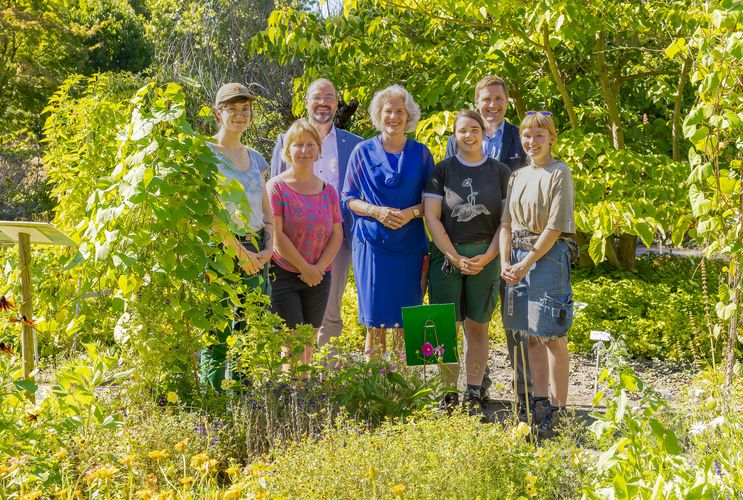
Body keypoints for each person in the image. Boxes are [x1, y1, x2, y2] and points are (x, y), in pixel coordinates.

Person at [445, 75, 530, 413]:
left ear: (507, 101)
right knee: (468, 320)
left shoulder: (518, 137)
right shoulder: (461, 138)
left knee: (515, 319)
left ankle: (525, 393)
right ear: (476, 102)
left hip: (515, 240)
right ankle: (475, 386)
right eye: (486, 99)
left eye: (498, 98)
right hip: (466, 243)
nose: (492, 105)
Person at [424, 110, 511, 415]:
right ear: (454, 135)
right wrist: (452, 255)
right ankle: (447, 394)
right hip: (446, 257)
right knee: (444, 327)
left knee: (477, 326)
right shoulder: (441, 170)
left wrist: (488, 256)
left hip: (485, 257)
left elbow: (506, 221)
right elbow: (432, 217)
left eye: (475, 129)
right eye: (462, 130)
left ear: (484, 132)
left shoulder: (500, 172)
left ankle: (473, 392)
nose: (469, 135)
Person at [271, 79, 363, 358]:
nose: (323, 102)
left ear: (337, 103)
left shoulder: (353, 144)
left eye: (329, 97)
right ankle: (297, 380)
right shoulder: (284, 140)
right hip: (289, 246)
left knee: (330, 311)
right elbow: (273, 199)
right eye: (317, 97)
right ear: (307, 102)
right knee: (291, 323)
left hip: (335, 241)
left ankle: (325, 377)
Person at [342, 85, 434, 357]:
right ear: (378, 114)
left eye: (400, 111)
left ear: (409, 116)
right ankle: (376, 387)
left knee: (410, 317)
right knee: (376, 320)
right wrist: (376, 211)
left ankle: (408, 387)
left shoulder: (421, 153)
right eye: (388, 111)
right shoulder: (361, 151)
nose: (393, 117)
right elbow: (348, 197)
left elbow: (433, 199)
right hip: (372, 247)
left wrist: (411, 213)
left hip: (411, 247)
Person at [500, 111, 575, 437]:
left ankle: (559, 411)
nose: (532, 142)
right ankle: (539, 404)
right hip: (516, 259)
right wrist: (505, 260)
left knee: (551, 335)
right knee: (529, 336)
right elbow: (505, 223)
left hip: (544, 260)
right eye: (527, 136)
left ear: (552, 138)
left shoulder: (559, 173)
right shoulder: (517, 175)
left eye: (539, 136)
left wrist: (527, 261)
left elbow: (555, 226)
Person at [201, 83, 273, 391]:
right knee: (217, 328)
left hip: (257, 247)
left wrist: (270, 247)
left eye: (245, 110)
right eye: (232, 109)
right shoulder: (205, 155)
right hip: (222, 249)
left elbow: (266, 207)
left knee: (249, 327)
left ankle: (244, 397)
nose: (240, 115)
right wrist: (239, 253)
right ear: (218, 113)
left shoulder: (256, 158)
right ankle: (213, 399)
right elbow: (209, 213)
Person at [267, 118, 343, 367]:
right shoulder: (276, 187)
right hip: (286, 273)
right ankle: (290, 395)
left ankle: (305, 393)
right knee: (293, 340)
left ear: (319, 150)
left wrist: (318, 268)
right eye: (298, 145)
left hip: (320, 275)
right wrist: (305, 268)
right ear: (287, 150)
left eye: (310, 145)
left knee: (310, 339)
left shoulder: (328, 190)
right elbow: (277, 236)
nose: (304, 151)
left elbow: (337, 234)